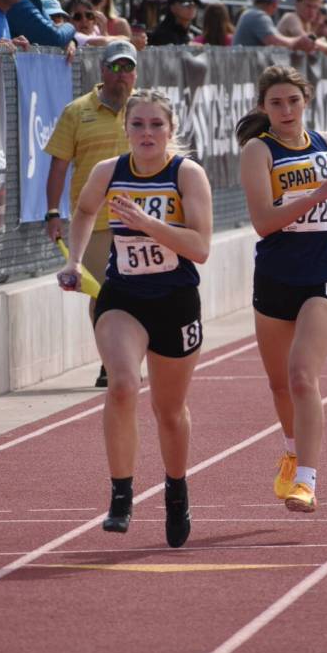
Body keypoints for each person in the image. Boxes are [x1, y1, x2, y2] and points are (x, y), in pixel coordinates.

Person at [57, 89, 212, 547]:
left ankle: (176, 490)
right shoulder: (109, 172)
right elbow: (85, 210)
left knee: (169, 411)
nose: (147, 133)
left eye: (156, 125)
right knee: (123, 385)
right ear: (125, 129)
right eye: (138, 124)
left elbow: (200, 248)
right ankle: (121, 495)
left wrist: (150, 225)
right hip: (123, 297)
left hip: (175, 301)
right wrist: (75, 261)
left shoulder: (187, 175)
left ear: (171, 129)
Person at [238, 64, 327, 513]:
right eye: (276, 103)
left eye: (293, 101)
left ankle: (306, 480)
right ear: (263, 107)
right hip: (275, 275)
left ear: (307, 100)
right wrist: (317, 195)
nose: (286, 110)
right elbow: (264, 223)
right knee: (280, 384)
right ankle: (291, 451)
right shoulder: (258, 151)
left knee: (302, 376)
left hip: (323, 272)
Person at [45, 39, 139, 386]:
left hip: (140, 221)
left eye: (128, 67)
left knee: (137, 294)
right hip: (95, 223)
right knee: (105, 294)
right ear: (102, 69)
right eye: (115, 67)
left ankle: (126, 357)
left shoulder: (145, 112)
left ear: (135, 73)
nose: (121, 74)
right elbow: (58, 166)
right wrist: (52, 212)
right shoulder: (77, 111)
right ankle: (109, 362)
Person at [232, 0, 315, 52]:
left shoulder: (252, 13)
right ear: (274, 2)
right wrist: (299, 40)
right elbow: (275, 42)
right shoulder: (258, 16)